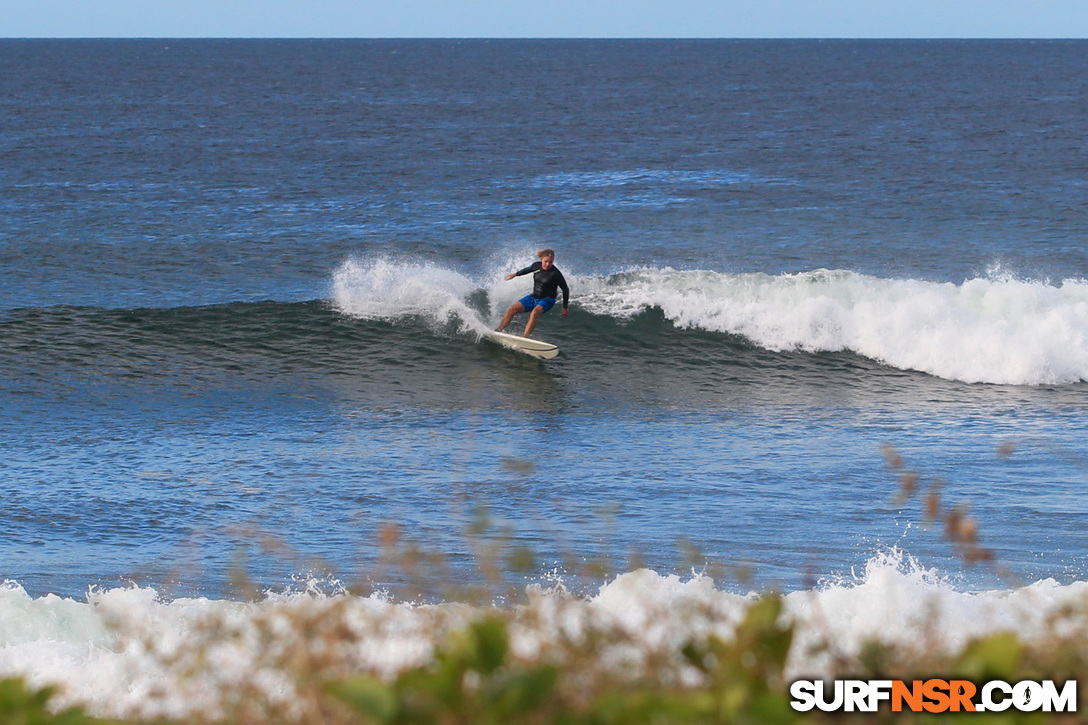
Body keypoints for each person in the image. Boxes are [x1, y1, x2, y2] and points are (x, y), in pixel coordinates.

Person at [496, 248, 570, 338]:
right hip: (533, 297)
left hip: (547, 299)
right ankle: (498, 330)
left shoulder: (556, 274)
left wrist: (565, 307)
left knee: (534, 313)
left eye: (550, 262)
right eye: (546, 261)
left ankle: (525, 338)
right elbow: (527, 270)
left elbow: (565, 289)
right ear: (541, 259)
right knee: (512, 309)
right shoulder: (536, 266)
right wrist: (515, 274)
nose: (548, 264)